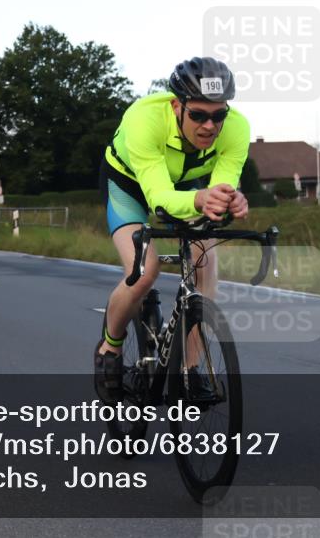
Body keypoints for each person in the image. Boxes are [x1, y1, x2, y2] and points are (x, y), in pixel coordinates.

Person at [95, 57, 250, 402]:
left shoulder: (237, 129)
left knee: (206, 264)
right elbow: (158, 198)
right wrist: (202, 198)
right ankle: (110, 348)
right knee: (144, 269)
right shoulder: (144, 119)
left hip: (185, 185)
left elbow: (220, 189)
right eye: (198, 115)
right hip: (130, 184)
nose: (210, 125)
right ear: (176, 105)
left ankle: (190, 370)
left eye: (218, 115)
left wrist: (230, 200)